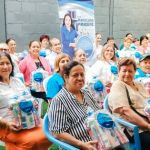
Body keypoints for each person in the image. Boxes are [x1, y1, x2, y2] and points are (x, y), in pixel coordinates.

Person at [0, 51, 52, 150]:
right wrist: (6, 124)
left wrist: (34, 104)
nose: (5, 67)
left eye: (8, 63)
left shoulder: (17, 81)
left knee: (51, 132)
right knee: (33, 140)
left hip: (28, 122)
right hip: (6, 126)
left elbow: (29, 98)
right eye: (1, 64)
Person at [48, 61, 100, 150]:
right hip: (79, 145)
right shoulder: (59, 100)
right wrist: (82, 145)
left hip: (100, 138)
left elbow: (98, 112)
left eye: (82, 75)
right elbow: (58, 132)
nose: (80, 78)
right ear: (66, 77)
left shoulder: (86, 92)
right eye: (75, 75)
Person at [108, 58, 150, 150]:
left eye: (130, 71)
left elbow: (147, 103)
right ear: (119, 72)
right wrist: (147, 126)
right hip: (135, 129)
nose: (127, 74)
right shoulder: (118, 85)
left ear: (135, 72)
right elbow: (125, 111)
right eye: (124, 71)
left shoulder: (138, 84)